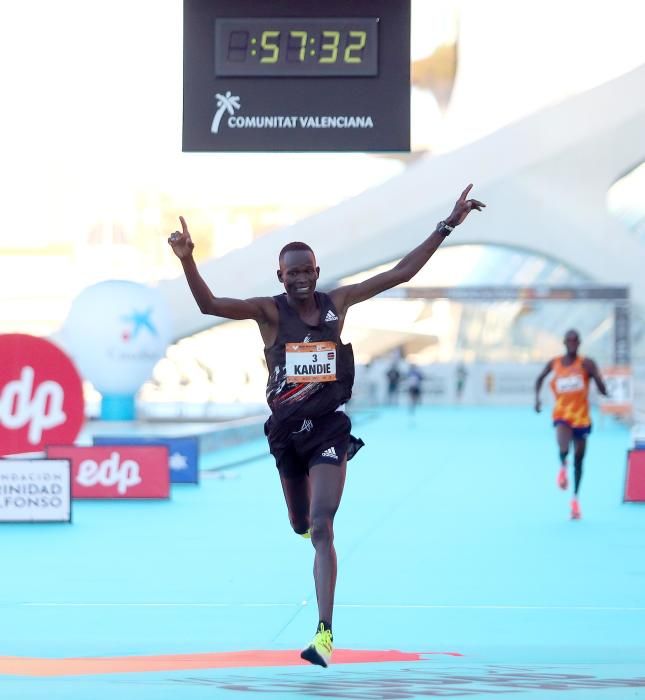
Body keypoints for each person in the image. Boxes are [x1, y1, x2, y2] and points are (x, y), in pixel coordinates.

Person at [168, 184, 485, 667]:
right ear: (280, 275)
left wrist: (446, 225)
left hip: (329, 430)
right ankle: (310, 531)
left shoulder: (339, 301)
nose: (298, 278)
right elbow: (210, 305)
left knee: (321, 525)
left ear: (317, 272)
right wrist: (188, 260)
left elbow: (399, 273)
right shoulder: (268, 312)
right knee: (300, 522)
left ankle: (324, 634)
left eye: (306, 271)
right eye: (290, 272)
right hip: (285, 434)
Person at [534, 329, 608, 520]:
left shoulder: (587, 363)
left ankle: (575, 500)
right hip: (562, 414)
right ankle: (562, 465)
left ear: (580, 343)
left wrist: (596, 378)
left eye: (576, 341)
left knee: (579, 459)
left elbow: (602, 388)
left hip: (582, 417)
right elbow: (539, 379)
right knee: (563, 445)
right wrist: (537, 400)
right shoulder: (555, 363)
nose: (572, 343)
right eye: (569, 340)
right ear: (564, 342)